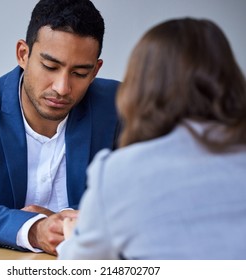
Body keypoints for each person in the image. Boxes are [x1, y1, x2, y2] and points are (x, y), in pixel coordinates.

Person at [0, 0, 120, 256]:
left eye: (79, 73)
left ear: (95, 70)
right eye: (50, 67)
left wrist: (63, 219)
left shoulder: (119, 105)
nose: (62, 88)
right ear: (23, 54)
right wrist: (35, 230)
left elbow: (149, 200)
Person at [57, 17, 246, 260]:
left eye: (80, 72)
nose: (63, 88)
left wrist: (73, 239)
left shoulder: (118, 173)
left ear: (141, 86)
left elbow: (80, 268)